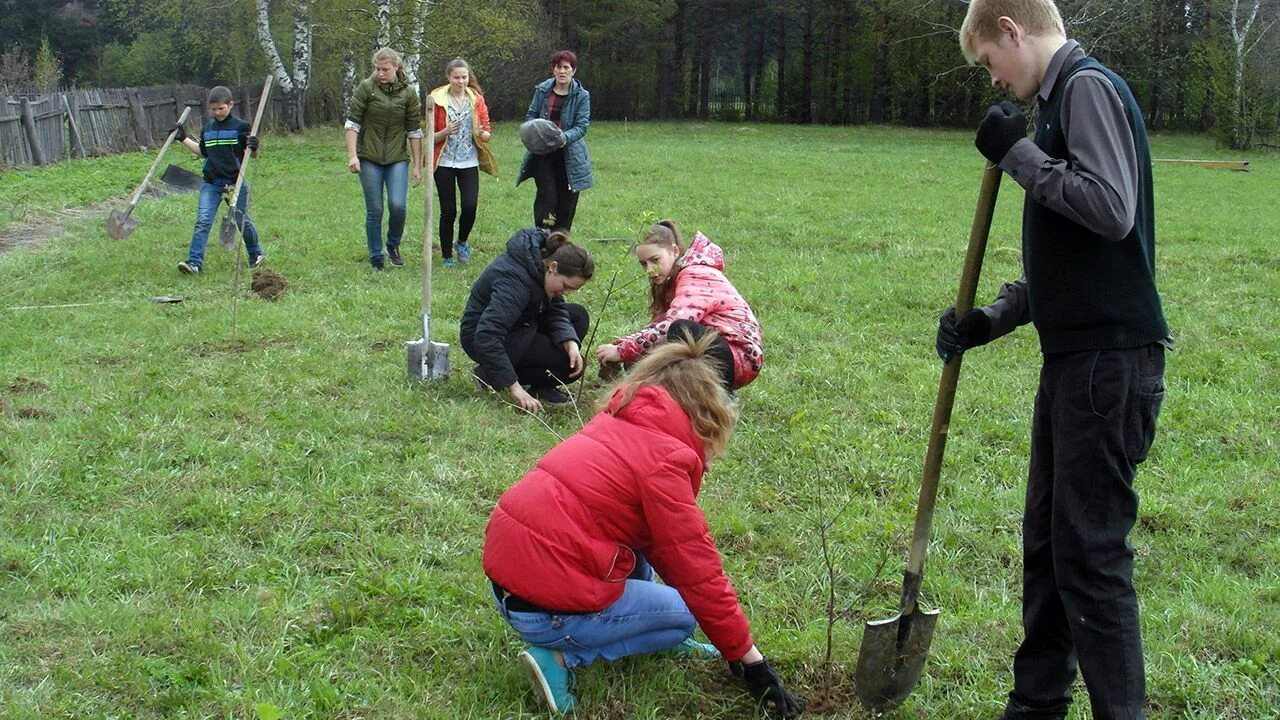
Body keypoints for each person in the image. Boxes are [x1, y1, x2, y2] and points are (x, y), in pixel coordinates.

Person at [936, 2, 1171, 718]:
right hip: (1075, 363)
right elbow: (1072, 259)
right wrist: (993, 318)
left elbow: (1109, 209)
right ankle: (1035, 704)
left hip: (1111, 363)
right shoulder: (1055, 103)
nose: (996, 79)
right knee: (1048, 544)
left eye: (989, 62)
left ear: (1011, 29)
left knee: (1090, 558)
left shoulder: (1087, 88)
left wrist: (1017, 154)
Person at [483, 333, 803, 717]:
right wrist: (749, 660)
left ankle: (635, 630)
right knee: (684, 615)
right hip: (545, 608)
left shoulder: (618, 420)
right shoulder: (664, 461)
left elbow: (656, 541)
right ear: (707, 411)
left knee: (650, 564)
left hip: (510, 585)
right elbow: (697, 572)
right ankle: (559, 657)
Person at [596, 221, 763, 390]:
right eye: (643, 264)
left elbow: (668, 328)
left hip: (739, 357)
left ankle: (713, 397)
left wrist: (622, 351)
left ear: (674, 251)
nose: (649, 270)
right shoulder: (674, 279)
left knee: (679, 329)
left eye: (655, 260)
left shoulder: (695, 274)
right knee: (646, 351)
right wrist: (622, 345)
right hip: (722, 348)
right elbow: (656, 327)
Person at [460, 227, 593, 414]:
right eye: (565, 286)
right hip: (482, 338)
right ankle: (490, 375)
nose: (566, 292)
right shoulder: (515, 282)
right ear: (553, 267)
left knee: (578, 316)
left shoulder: (541, 267)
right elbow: (488, 335)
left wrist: (570, 342)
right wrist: (515, 388)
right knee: (565, 367)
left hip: (521, 323)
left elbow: (554, 309)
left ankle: (540, 386)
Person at [344, 47, 423, 271]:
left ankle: (393, 245)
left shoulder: (408, 93)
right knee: (375, 209)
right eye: (377, 69)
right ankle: (376, 255)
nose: (380, 73)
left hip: (397, 157)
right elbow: (352, 124)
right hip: (369, 156)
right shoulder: (366, 88)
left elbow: (414, 130)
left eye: (385, 69)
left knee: (398, 205)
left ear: (397, 67)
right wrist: (352, 156)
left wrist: (417, 165)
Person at [172, 86, 263, 275]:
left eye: (221, 108)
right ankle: (194, 263)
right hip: (211, 182)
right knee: (203, 221)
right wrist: (183, 138)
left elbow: (251, 156)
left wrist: (254, 147)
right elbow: (203, 152)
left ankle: (256, 254)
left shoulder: (241, 127)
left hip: (234, 182)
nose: (217, 112)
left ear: (231, 105)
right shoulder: (208, 128)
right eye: (213, 109)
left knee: (241, 219)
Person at [427, 57, 496, 268]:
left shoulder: (477, 100)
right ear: (449, 77)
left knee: (470, 205)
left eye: (464, 77)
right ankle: (447, 255)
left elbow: (487, 133)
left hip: (468, 161)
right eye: (456, 77)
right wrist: (445, 131)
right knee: (448, 210)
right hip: (444, 161)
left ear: (469, 77)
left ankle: (463, 242)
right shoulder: (436, 99)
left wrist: (481, 133)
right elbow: (428, 136)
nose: (461, 81)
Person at [516, 50, 592, 232]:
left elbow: (582, 126)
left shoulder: (582, 95)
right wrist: (534, 132)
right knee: (547, 196)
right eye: (559, 67)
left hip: (569, 154)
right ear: (553, 70)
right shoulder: (542, 91)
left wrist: (563, 138)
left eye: (566, 67)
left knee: (566, 202)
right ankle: (541, 235)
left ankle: (560, 241)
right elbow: (531, 116)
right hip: (543, 153)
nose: (562, 71)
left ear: (573, 70)